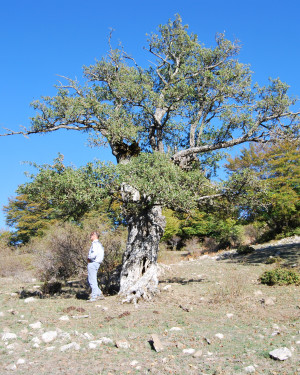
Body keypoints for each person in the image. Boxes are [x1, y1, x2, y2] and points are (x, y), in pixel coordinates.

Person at [87, 231, 104, 302]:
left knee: (92, 280)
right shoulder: (99, 244)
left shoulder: (95, 244)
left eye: (91, 235)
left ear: (94, 236)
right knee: (93, 279)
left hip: (93, 262)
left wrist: (89, 258)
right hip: (97, 263)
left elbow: (94, 254)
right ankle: (99, 294)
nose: (90, 236)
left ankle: (94, 296)